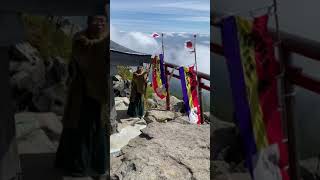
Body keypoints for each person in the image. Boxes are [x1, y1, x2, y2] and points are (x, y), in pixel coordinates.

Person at [55, 15, 109, 179]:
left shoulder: (104, 40)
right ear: (88, 22)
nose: (99, 24)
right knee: (79, 130)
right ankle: (77, 166)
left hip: (99, 93)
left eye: (102, 21)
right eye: (96, 20)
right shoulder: (81, 39)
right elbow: (88, 55)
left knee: (98, 129)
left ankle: (98, 166)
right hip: (82, 93)